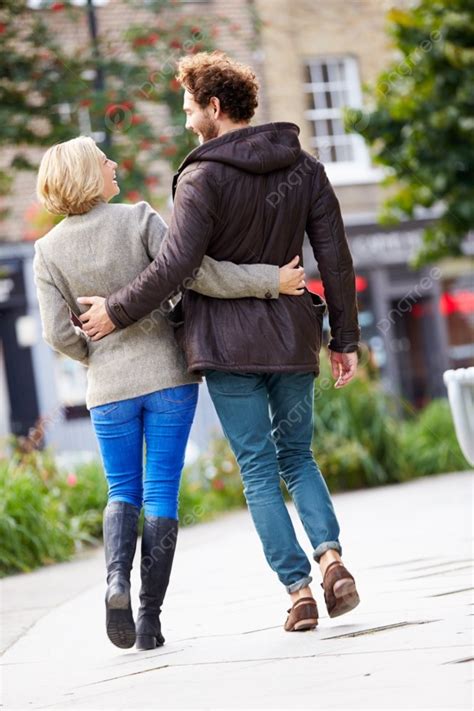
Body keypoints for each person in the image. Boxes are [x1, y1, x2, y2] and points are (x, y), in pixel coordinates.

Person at [78, 51, 362, 632]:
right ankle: (332, 560)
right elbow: (335, 257)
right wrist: (344, 339)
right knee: (299, 456)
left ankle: (299, 592)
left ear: (214, 107)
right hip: (291, 339)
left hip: (228, 348)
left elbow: (178, 264)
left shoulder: (202, 176)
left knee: (258, 469)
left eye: (188, 109)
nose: (186, 123)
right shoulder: (304, 169)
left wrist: (115, 310)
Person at [33, 135, 307, 649]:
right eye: (103, 160)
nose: (113, 163)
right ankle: (150, 620)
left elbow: (56, 333)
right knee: (161, 493)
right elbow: (198, 272)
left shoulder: (47, 251)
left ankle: (115, 579)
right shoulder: (137, 218)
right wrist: (271, 279)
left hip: (108, 388)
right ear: (87, 175)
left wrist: (94, 355)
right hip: (168, 379)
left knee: (121, 490)